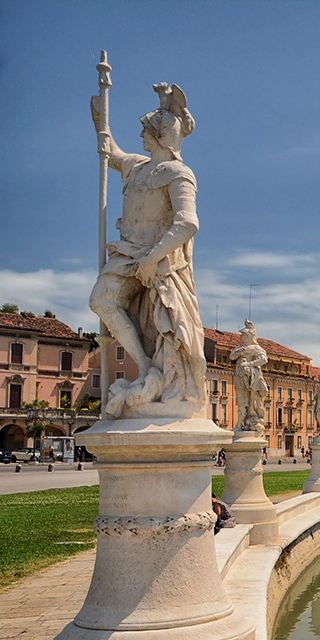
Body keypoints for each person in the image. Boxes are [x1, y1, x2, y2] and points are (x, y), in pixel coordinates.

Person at [89, 82, 207, 419]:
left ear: (160, 136)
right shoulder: (137, 167)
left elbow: (188, 222)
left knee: (173, 329)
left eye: (146, 131)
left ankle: (164, 380)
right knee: (101, 301)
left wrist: (153, 257)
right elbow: (110, 153)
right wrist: (101, 122)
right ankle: (145, 368)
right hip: (127, 252)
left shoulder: (179, 174)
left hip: (161, 260)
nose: (141, 136)